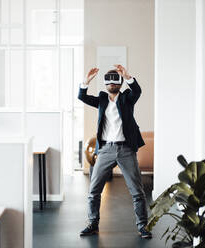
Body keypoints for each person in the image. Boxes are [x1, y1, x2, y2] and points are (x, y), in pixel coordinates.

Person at [78, 65, 151, 239]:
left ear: (119, 84)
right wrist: (86, 81)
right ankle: (93, 224)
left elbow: (137, 90)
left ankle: (142, 227)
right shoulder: (102, 100)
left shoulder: (127, 99)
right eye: (108, 81)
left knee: (137, 191)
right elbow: (82, 96)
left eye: (115, 80)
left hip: (126, 149)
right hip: (105, 150)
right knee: (94, 190)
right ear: (105, 84)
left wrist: (127, 76)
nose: (112, 83)